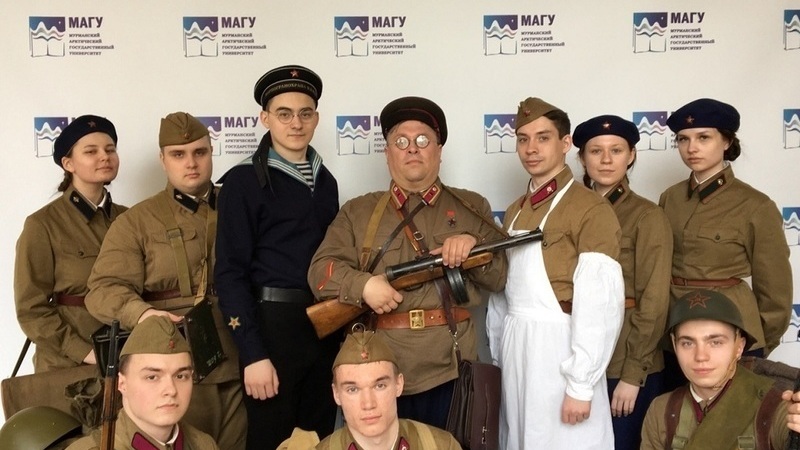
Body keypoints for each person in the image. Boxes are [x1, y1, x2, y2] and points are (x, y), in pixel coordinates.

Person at [308, 96, 507, 429]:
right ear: (387, 153)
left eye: (423, 140)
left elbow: (499, 277)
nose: (412, 148)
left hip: (450, 365)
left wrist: (472, 247)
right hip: (377, 367)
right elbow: (320, 271)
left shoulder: (471, 207)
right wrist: (363, 286)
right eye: (401, 141)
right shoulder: (358, 211)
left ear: (439, 151)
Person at [86, 112, 245, 449]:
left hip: (241, 359)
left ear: (211, 152)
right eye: (178, 154)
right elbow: (102, 290)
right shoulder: (137, 221)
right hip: (177, 365)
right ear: (162, 159)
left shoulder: (241, 204)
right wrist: (143, 315)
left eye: (200, 152)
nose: (191, 163)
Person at [486, 97, 624, 450]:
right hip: (517, 349)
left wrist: (581, 385)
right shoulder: (515, 210)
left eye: (543, 138)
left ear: (565, 144)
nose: (531, 148)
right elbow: (502, 295)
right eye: (523, 139)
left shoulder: (590, 208)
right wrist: (500, 354)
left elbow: (600, 304)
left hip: (561, 348)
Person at [214, 65, 340, 450]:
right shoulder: (242, 182)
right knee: (271, 440)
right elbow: (230, 274)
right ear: (265, 118)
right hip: (272, 330)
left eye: (305, 113)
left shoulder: (326, 181)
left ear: (316, 118)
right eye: (284, 114)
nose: (296, 123)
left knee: (319, 438)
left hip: (324, 325)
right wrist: (253, 353)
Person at [659, 98, 792, 389]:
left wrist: (756, 342)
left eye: (703, 138)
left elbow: (775, 288)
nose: (692, 148)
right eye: (683, 139)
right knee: (676, 411)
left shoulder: (755, 205)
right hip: (676, 332)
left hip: (731, 332)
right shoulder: (670, 198)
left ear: (727, 141)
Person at [574, 115, 672, 450]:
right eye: (595, 151)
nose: (605, 160)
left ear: (631, 156)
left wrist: (633, 375)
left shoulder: (647, 216)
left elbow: (654, 301)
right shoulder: (570, 212)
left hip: (624, 359)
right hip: (579, 358)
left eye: (616, 150)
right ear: (581, 158)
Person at [14, 114, 126, 373]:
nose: (105, 156)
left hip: (126, 359)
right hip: (66, 365)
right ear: (68, 163)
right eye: (91, 151)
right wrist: (84, 352)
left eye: (110, 150)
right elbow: (31, 309)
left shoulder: (130, 219)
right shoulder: (42, 224)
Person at [641, 289, 799, 449]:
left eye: (715, 342)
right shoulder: (662, 410)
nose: (701, 356)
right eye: (687, 343)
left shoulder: (776, 407)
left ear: (739, 347)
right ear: (675, 346)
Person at [279, 330, 462, 449]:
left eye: (379, 386)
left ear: (399, 385)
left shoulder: (441, 445)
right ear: (336, 394)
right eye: (353, 389)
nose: (368, 404)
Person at [67, 315, 220, 449]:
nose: (171, 390)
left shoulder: (204, 445)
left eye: (180, 376)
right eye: (152, 377)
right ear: (122, 384)